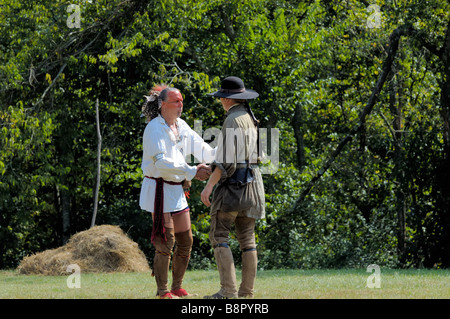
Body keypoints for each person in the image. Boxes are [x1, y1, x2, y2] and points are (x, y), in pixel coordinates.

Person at [140, 85, 215, 299]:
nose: (181, 105)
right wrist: (193, 171)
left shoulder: (181, 126)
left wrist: (224, 155)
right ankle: (162, 291)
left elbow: (204, 150)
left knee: (186, 241)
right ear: (163, 105)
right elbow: (162, 164)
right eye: (176, 101)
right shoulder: (154, 129)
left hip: (177, 192)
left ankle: (177, 286)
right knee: (166, 242)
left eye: (182, 101)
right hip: (159, 191)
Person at [201, 76, 265, 299]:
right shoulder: (250, 117)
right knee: (247, 239)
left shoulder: (232, 119)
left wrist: (208, 187)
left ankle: (228, 292)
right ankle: (246, 292)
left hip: (235, 187)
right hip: (253, 185)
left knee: (219, 235)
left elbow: (225, 161)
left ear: (227, 99)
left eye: (221, 97)